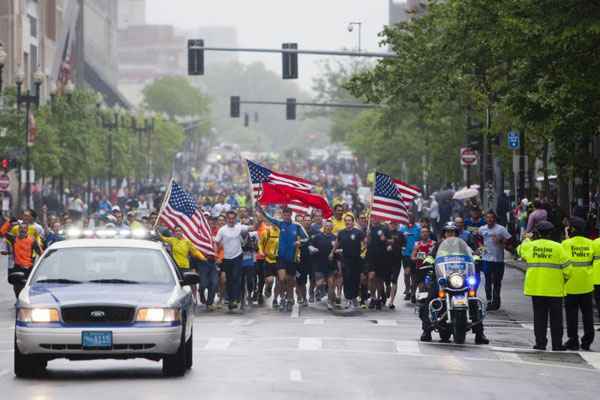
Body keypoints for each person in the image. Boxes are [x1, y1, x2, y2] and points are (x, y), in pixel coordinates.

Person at [518, 221, 568, 351]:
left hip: (536, 288)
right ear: (551, 233)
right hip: (555, 289)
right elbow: (568, 269)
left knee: (539, 317)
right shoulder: (558, 247)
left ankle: (540, 343)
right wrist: (564, 280)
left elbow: (520, 250)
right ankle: (557, 344)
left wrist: (527, 239)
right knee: (556, 318)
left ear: (537, 233)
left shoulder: (531, 246)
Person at [258, 205, 308, 312]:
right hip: (281, 258)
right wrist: (261, 210)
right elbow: (269, 218)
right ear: (282, 215)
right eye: (284, 214)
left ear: (291, 215)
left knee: (290, 281)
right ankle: (281, 299)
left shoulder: (297, 226)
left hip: (292, 258)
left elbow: (306, 238)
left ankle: (289, 298)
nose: (286, 216)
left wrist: (300, 242)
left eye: (288, 214)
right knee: (281, 279)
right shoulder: (280, 224)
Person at [561, 216, 595, 351]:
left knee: (571, 315)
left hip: (570, 285)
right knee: (588, 314)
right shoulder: (590, 243)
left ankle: (573, 340)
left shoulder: (565, 244)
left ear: (572, 229)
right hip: (587, 284)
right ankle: (587, 340)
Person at [215, 210, 254, 311]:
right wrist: (216, 255)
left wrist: (259, 220)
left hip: (238, 257)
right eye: (229, 218)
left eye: (233, 218)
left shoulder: (239, 227)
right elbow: (217, 242)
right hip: (227, 259)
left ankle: (236, 299)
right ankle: (231, 300)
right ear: (227, 219)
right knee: (229, 280)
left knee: (237, 278)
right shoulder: (222, 230)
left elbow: (252, 228)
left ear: (235, 219)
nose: (231, 220)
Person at [331, 214, 365, 310]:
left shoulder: (358, 232)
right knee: (346, 279)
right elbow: (337, 243)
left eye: (349, 220)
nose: (347, 222)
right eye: (346, 220)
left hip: (356, 259)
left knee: (355, 279)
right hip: (345, 259)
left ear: (353, 222)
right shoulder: (341, 232)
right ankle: (348, 299)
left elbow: (365, 243)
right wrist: (332, 252)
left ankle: (354, 298)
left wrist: (363, 250)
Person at [478, 211, 511, 310]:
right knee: (487, 281)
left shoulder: (501, 229)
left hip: (498, 260)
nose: (489, 220)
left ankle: (496, 301)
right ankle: (489, 301)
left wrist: (500, 241)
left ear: (494, 219)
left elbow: (510, 240)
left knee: (497, 281)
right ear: (485, 219)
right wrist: (481, 246)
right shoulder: (482, 229)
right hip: (486, 259)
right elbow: (478, 238)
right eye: (487, 218)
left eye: (491, 218)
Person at [4, 222, 43, 298]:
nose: (22, 230)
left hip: (28, 267)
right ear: (18, 230)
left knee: (27, 286)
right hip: (17, 266)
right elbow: (3, 231)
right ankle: (18, 299)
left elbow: (40, 252)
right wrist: (9, 222)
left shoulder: (32, 240)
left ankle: (27, 299)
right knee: (17, 286)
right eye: (20, 228)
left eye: (24, 228)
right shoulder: (14, 238)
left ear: (27, 230)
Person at [310, 220, 337, 308]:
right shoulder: (317, 236)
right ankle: (318, 290)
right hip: (319, 264)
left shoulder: (335, 238)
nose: (328, 227)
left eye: (330, 226)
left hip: (331, 264)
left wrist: (338, 251)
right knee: (319, 283)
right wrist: (312, 248)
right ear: (323, 227)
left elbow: (340, 248)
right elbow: (309, 245)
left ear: (332, 228)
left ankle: (329, 302)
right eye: (326, 226)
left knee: (331, 283)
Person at [400, 214, 421, 302]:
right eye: (408, 218)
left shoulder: (418, 229)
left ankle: (413, 293)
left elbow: (421, 240)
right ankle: (408, 290)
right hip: (406, 254)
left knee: (414, 276)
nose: (410, 219)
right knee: (407, 273)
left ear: (414, 219)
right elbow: (399, 240)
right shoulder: (402, 229)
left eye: (411, 217)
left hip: (416, 254)